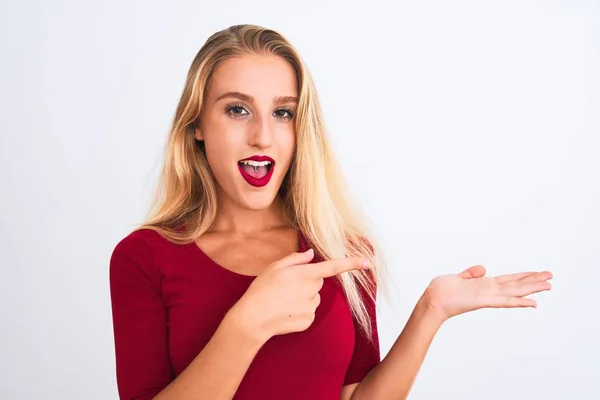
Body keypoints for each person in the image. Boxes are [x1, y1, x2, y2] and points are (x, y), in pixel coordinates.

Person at [108, 24, 553, 400]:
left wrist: (430, 311)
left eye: (283, 112)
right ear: (197, 125)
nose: (263, 136)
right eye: (237, 109)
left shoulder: (343, 251)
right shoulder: (143, 257)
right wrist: (247, 325)